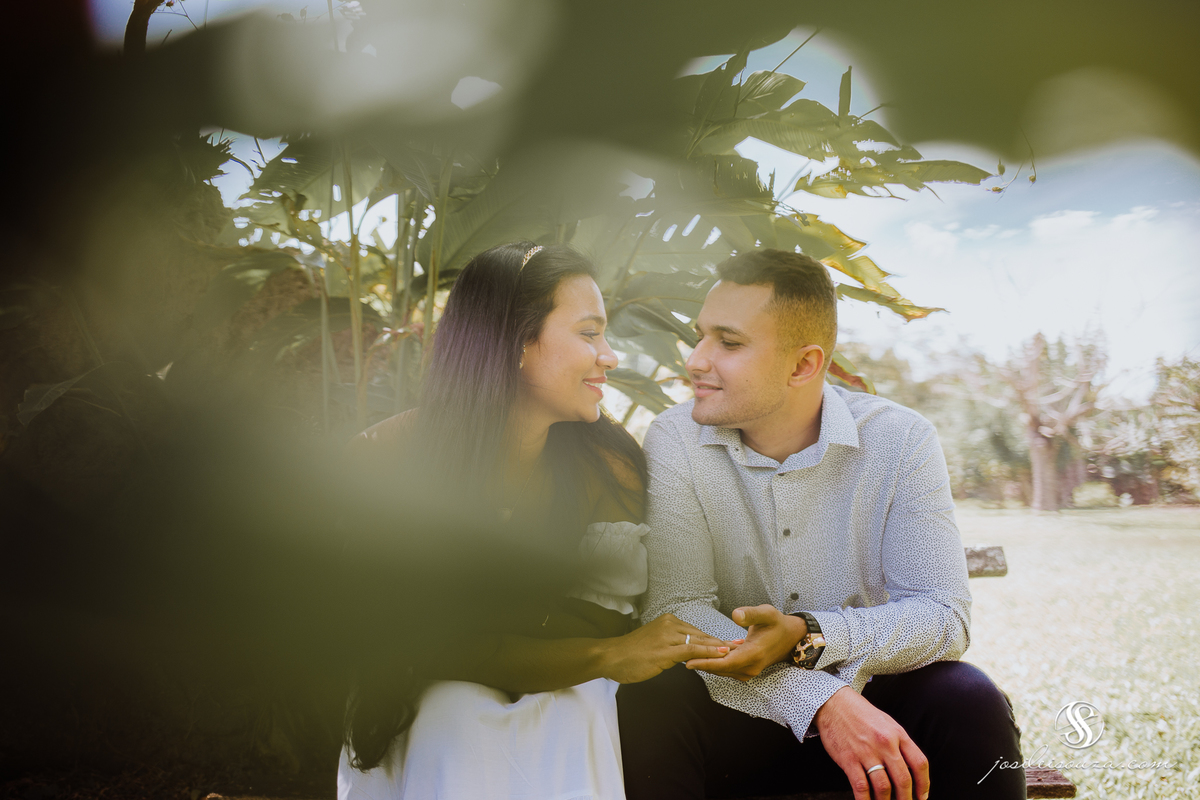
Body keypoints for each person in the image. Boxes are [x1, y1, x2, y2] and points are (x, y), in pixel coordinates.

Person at [616, 249, 1025, 800]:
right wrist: (818, 699)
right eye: (700, 336)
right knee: (653, 698)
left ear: (803, 366)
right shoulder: (676, 439)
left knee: (967, 697)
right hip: (735, 713)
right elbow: (677, 608)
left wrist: (810, 635)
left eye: (728, 343)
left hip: (874, 710)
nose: (695, 360)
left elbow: (943, 616)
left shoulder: (901, 440)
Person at [336, 241, 731, 800]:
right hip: (421, 697)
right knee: (455, 710)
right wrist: (601, 654)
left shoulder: (605, 466)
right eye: (589, 333)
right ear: (516, 341)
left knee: (564, 711)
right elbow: (400, 640)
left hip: (573, 689)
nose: (610, 356)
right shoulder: (385, 460)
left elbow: (604, 621)